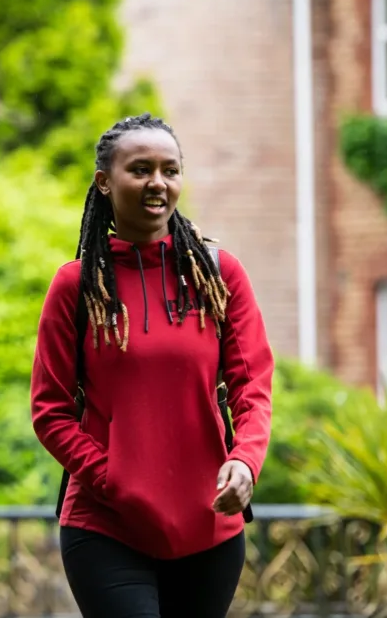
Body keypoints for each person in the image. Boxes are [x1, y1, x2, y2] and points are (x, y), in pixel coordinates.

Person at [31, 113, 273, 618]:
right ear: (104, 182)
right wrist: (115, 477)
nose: (157, 182)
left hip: (209, 526)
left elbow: (253, 387)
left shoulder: (218, 273)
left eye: (170, 169)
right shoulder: (75, 286)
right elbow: (49, 411)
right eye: (140, 169)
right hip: (107, 525)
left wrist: (246, 461)